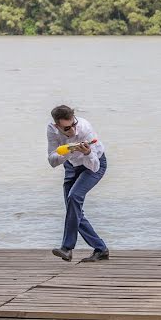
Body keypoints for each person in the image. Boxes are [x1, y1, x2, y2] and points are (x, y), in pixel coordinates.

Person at [47, 105, 109, 262]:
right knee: (73, 210)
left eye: (73, 124)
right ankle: (101, 249)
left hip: (94, 163)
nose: (72, 130)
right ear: (57, 126)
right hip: (71, 166)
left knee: (74, 197)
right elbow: (53, 161)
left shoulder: (85, 128)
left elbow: (94, 166)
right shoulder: (52, 130)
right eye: (67, 128)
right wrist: (69, 149)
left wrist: (87, 152)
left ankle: (67, 248)